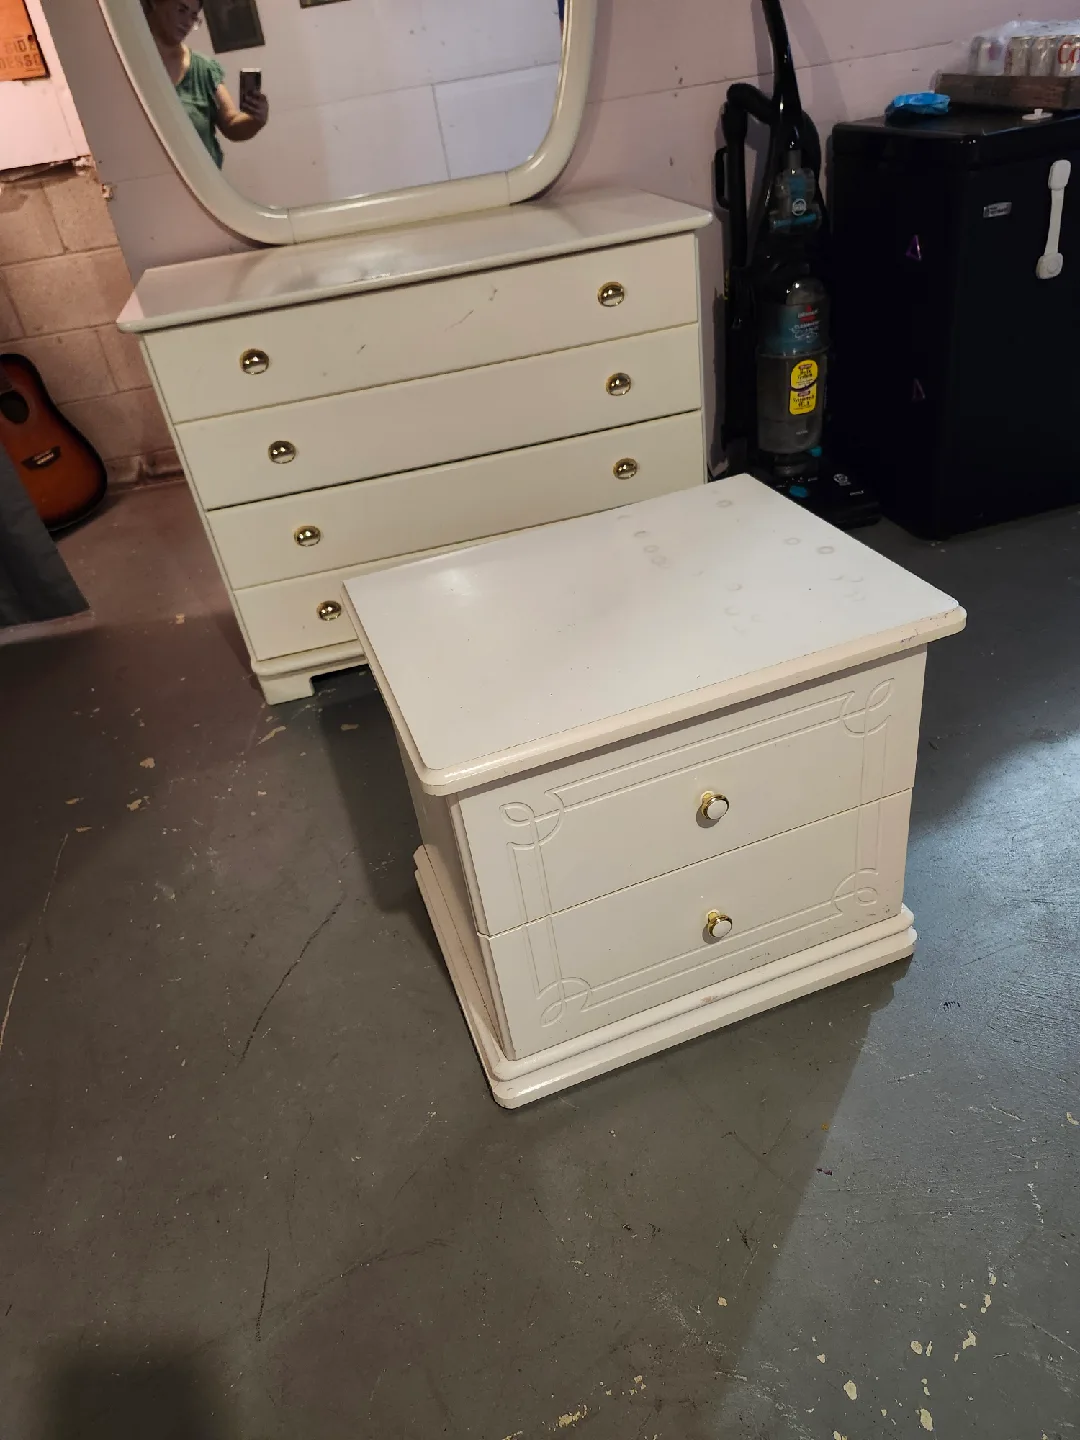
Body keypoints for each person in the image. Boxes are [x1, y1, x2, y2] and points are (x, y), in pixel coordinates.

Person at [142, 0, 269, 168]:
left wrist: (255, 119)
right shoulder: (124, 59)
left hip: (196, 187)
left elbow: (231, 123)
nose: (187, 22)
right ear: (156, 3)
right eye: (181, 10)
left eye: (194, 17)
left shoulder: (203, 68)